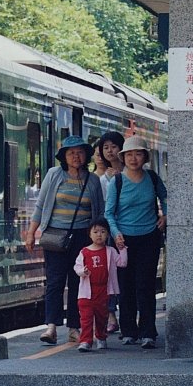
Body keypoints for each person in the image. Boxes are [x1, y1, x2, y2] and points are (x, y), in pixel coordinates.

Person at [25, 135, 104, 345]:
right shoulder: (54, 175)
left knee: (79, 281)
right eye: (71, 153)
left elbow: (98, 211)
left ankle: (74, 328)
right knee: (55, 281)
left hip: (82, 237)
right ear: (64, 156)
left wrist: (99, 239)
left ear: (86, 155)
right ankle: (51, 327)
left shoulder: (93, 180)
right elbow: (41, 206)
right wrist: (31, 232)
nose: (76, 156)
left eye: (79, 152)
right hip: (55, 235)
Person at [105, 134, 167, 350]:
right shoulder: (117, 181)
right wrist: (115, 233)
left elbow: (165, 198)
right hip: (124, 240)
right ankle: (129, 330)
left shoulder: (152, 178)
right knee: (126, 286)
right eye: (129, 154)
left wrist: (165, 216)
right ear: (123, 157)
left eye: (138, 154)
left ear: (145, 157)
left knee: (146, 285)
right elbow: (109, 213)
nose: (133, 159)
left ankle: (148, 331)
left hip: (149, 237)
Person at [73, 218, 126, 352]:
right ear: (89, 234)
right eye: (95, 232)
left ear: (108, 234)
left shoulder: (111, 251)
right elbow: (77, 267)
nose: (99, 234)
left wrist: (122, 249)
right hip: (87, 291)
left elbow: (122, 263)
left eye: (103, 231)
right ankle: (86, 341)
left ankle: (101, 337)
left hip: (104, 291)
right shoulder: (84, 252)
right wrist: (82, 272)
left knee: (102, 316)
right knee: (86, 318)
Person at [95, 130, 125, 335]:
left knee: (125, 276)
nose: (110, 151)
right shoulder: (99, 178)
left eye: (114, 146)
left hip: (128, 230)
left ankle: (129, 317)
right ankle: (111, 315)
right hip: (108, 232)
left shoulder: (134, 172)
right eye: (105, 147)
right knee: (109, 276)